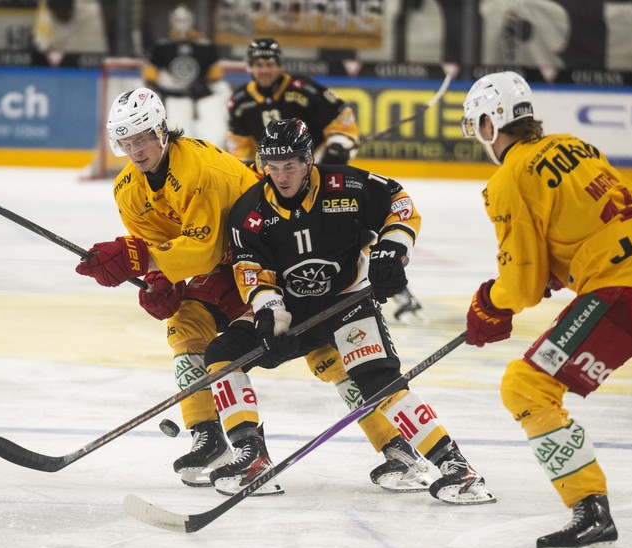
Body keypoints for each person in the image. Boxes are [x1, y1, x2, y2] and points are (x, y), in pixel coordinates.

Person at [74, 87, 433, 494]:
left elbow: (204, 250)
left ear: (161, 132)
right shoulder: (127, 190)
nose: (135, 150)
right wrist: (160, 278)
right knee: (185, 327)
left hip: (269, 256)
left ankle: (395, 443)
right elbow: (160, 244)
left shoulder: (199, 169)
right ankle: (209, 438)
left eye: (141, 138)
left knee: (325, 352)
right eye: (126, 142)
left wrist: (139, 259)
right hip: (227, 263)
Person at [460, 71, 632, 548]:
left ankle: (591, 518)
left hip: (625, 290)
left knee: (526, 387)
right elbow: (598, 218)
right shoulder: (578, 146)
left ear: (491, 125)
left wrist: (488, 305)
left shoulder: (509, 177)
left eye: (480, 130)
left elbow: (520, 285)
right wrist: (568, 263)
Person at [203, 118, 496, 505]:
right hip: (294, 311)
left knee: (378, 381)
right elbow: (252, 272)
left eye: (289, 165)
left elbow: (400, 203)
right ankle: (251, 456)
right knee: (221, 354)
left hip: (349, 303)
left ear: (308, 160)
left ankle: (455, 466)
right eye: (273, 167)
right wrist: (269, 314)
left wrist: (393, 247)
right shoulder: (249, 212)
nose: (281, 176)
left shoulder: (347, 185)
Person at [227, 38, 425, 324]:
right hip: (277, 182)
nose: (264, 70)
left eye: (269, 63)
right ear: (250, 67)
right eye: (258, 64)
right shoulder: (240, 102)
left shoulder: (303, 90)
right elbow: (239, 150)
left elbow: (341, 116)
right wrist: (257, 176)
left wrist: (339, 143)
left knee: (350, 233)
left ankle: (397, 286)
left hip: (317, 178)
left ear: (279, 64)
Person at [141, 4, 229, 146]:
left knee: (215, 134)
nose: (182, 24)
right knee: (181, 135)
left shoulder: (205, 46)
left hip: (204, 98)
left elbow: (216, 77)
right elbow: (150, 75)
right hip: (174, 99)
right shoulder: (161, 47)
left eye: (185, 20)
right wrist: (160, 83)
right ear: (172, 22)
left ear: (191, 21)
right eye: (178, 21)